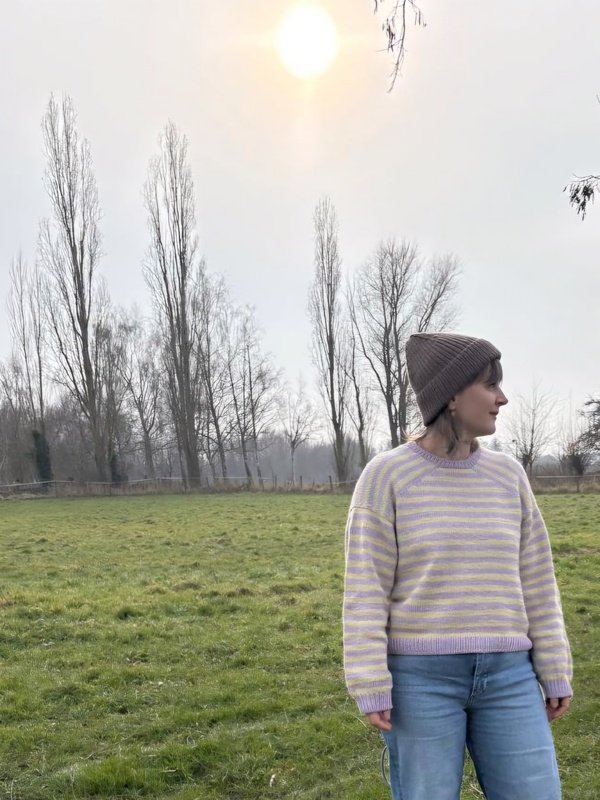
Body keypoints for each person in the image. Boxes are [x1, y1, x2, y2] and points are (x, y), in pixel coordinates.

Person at [342, 332, 572, 800]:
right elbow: (366, 588)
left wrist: (553, 664)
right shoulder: (387, 476)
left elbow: (537, 580)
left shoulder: (509, 476)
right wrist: (369, 678)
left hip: (510, 676)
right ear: (450, 395)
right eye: (490, 385)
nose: (502, 398)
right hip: (420, 682)